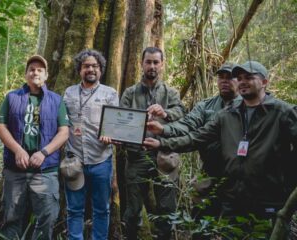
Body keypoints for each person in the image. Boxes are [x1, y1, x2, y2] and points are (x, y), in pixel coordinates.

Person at [144, 61, 297, 233]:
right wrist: (162, 141)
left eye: (249, 77)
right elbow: (197, 137)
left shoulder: (282, 112)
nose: (242, 81)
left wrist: (289, 184)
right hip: (233, 198)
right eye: (239, 78)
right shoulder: (227, 114)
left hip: (269, 199)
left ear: (264, 82)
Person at [147, 63, 241, 216]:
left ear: (239, 81)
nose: (224, 81)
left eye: (229, 78)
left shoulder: (247, 106)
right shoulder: (205, 105)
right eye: (221, 78)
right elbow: (188, 124)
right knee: (200, 216)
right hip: (209, 171)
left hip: (238, 176)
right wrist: (164, 129)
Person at [0, 55, 69, 240]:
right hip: (15, 169)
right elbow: (1, 127)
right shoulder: (12, 97)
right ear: (26, 74)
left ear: (46, 75)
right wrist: (18, 150)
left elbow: (64, 132)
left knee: (48, 216)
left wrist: (44, 152)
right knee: (11, 217)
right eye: (31, 69)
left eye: (39, 70)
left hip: (45, 170)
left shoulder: (56, 100)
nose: (35, 72)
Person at [120, 46, 186, 240]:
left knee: (166, 208)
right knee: (132, 209)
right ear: (141, 64)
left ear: (162, 65)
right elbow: (120, 121)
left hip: (165, 155)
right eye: (148, 62)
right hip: (136, 155)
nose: (152, 66)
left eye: (156, 62)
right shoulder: (130, 93)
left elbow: (182, 114)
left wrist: (165, 113)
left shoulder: (171, 93)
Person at [63, 49, 119, 240]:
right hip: (74, 160)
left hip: (101, 161)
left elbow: (116, 125)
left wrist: (110, 135)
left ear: (100, 69)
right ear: (80, 69)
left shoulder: (110, 93)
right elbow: (62, 123)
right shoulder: (69, 93)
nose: (91, 69)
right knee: (74, 208)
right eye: (86, 66)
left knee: (102, 209)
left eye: (95, 66)